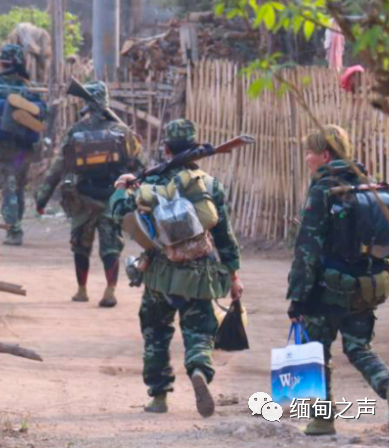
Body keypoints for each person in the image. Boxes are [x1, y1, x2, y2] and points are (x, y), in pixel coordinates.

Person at [111, 119, 243, 418]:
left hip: (160, 276)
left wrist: (122, 187)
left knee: (156, 333)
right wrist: (233, 275)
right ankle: (198, 369)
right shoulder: (209, 186)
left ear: (167, 149)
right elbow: (224, 236)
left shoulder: (151, 184)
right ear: (196, 150)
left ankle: (158, 397)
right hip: (201, 276)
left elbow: (119, 214)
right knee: (199, 332)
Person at [287, 125, 389, 437]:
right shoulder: (366, 186)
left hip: (325, 289)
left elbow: (307, 249)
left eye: (310, 152)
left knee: (314, 351)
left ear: (325, 155)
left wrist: (297, 297)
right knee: (358, 348)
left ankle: (322, 420)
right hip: (365, 286)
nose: (307, 158)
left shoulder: (323, 191)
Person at [35, 81, 143, 306]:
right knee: (111, 246)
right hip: (113, 197)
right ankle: (110, 290)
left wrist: (42, 198)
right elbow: (139, 164)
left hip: (83, 198)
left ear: (86, 104)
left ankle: (82, 290)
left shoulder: (76, 131)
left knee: (81, 246)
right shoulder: (121, 131)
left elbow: (58, 167)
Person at [0, 43, 36, 245]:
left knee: (8, 189)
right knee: (19, 187)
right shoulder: (29, 88)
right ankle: (17, 225)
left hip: (3, 149)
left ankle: (14, 231)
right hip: (24, 150)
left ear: (2, 63)